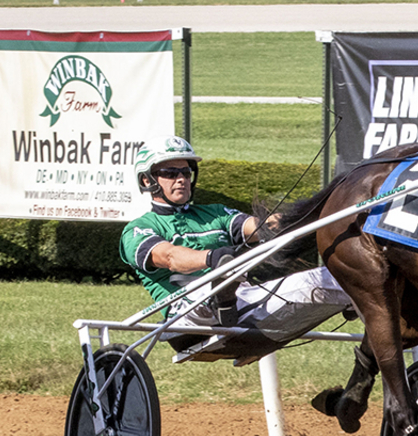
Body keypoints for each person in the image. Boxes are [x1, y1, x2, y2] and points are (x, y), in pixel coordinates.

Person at [119, 135, 351, 333]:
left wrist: (313, 214)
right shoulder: (139, 228)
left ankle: (359, 295)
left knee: (333, 277)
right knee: (211, 287)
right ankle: (221, 292)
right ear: (147, 180)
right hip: (185, 312)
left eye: (186, 172)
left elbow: (259, 227)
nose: (181, 179)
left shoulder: (216, 213)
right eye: (170, 173)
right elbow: (170, 257)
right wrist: (214, 259)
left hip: (242, 300)